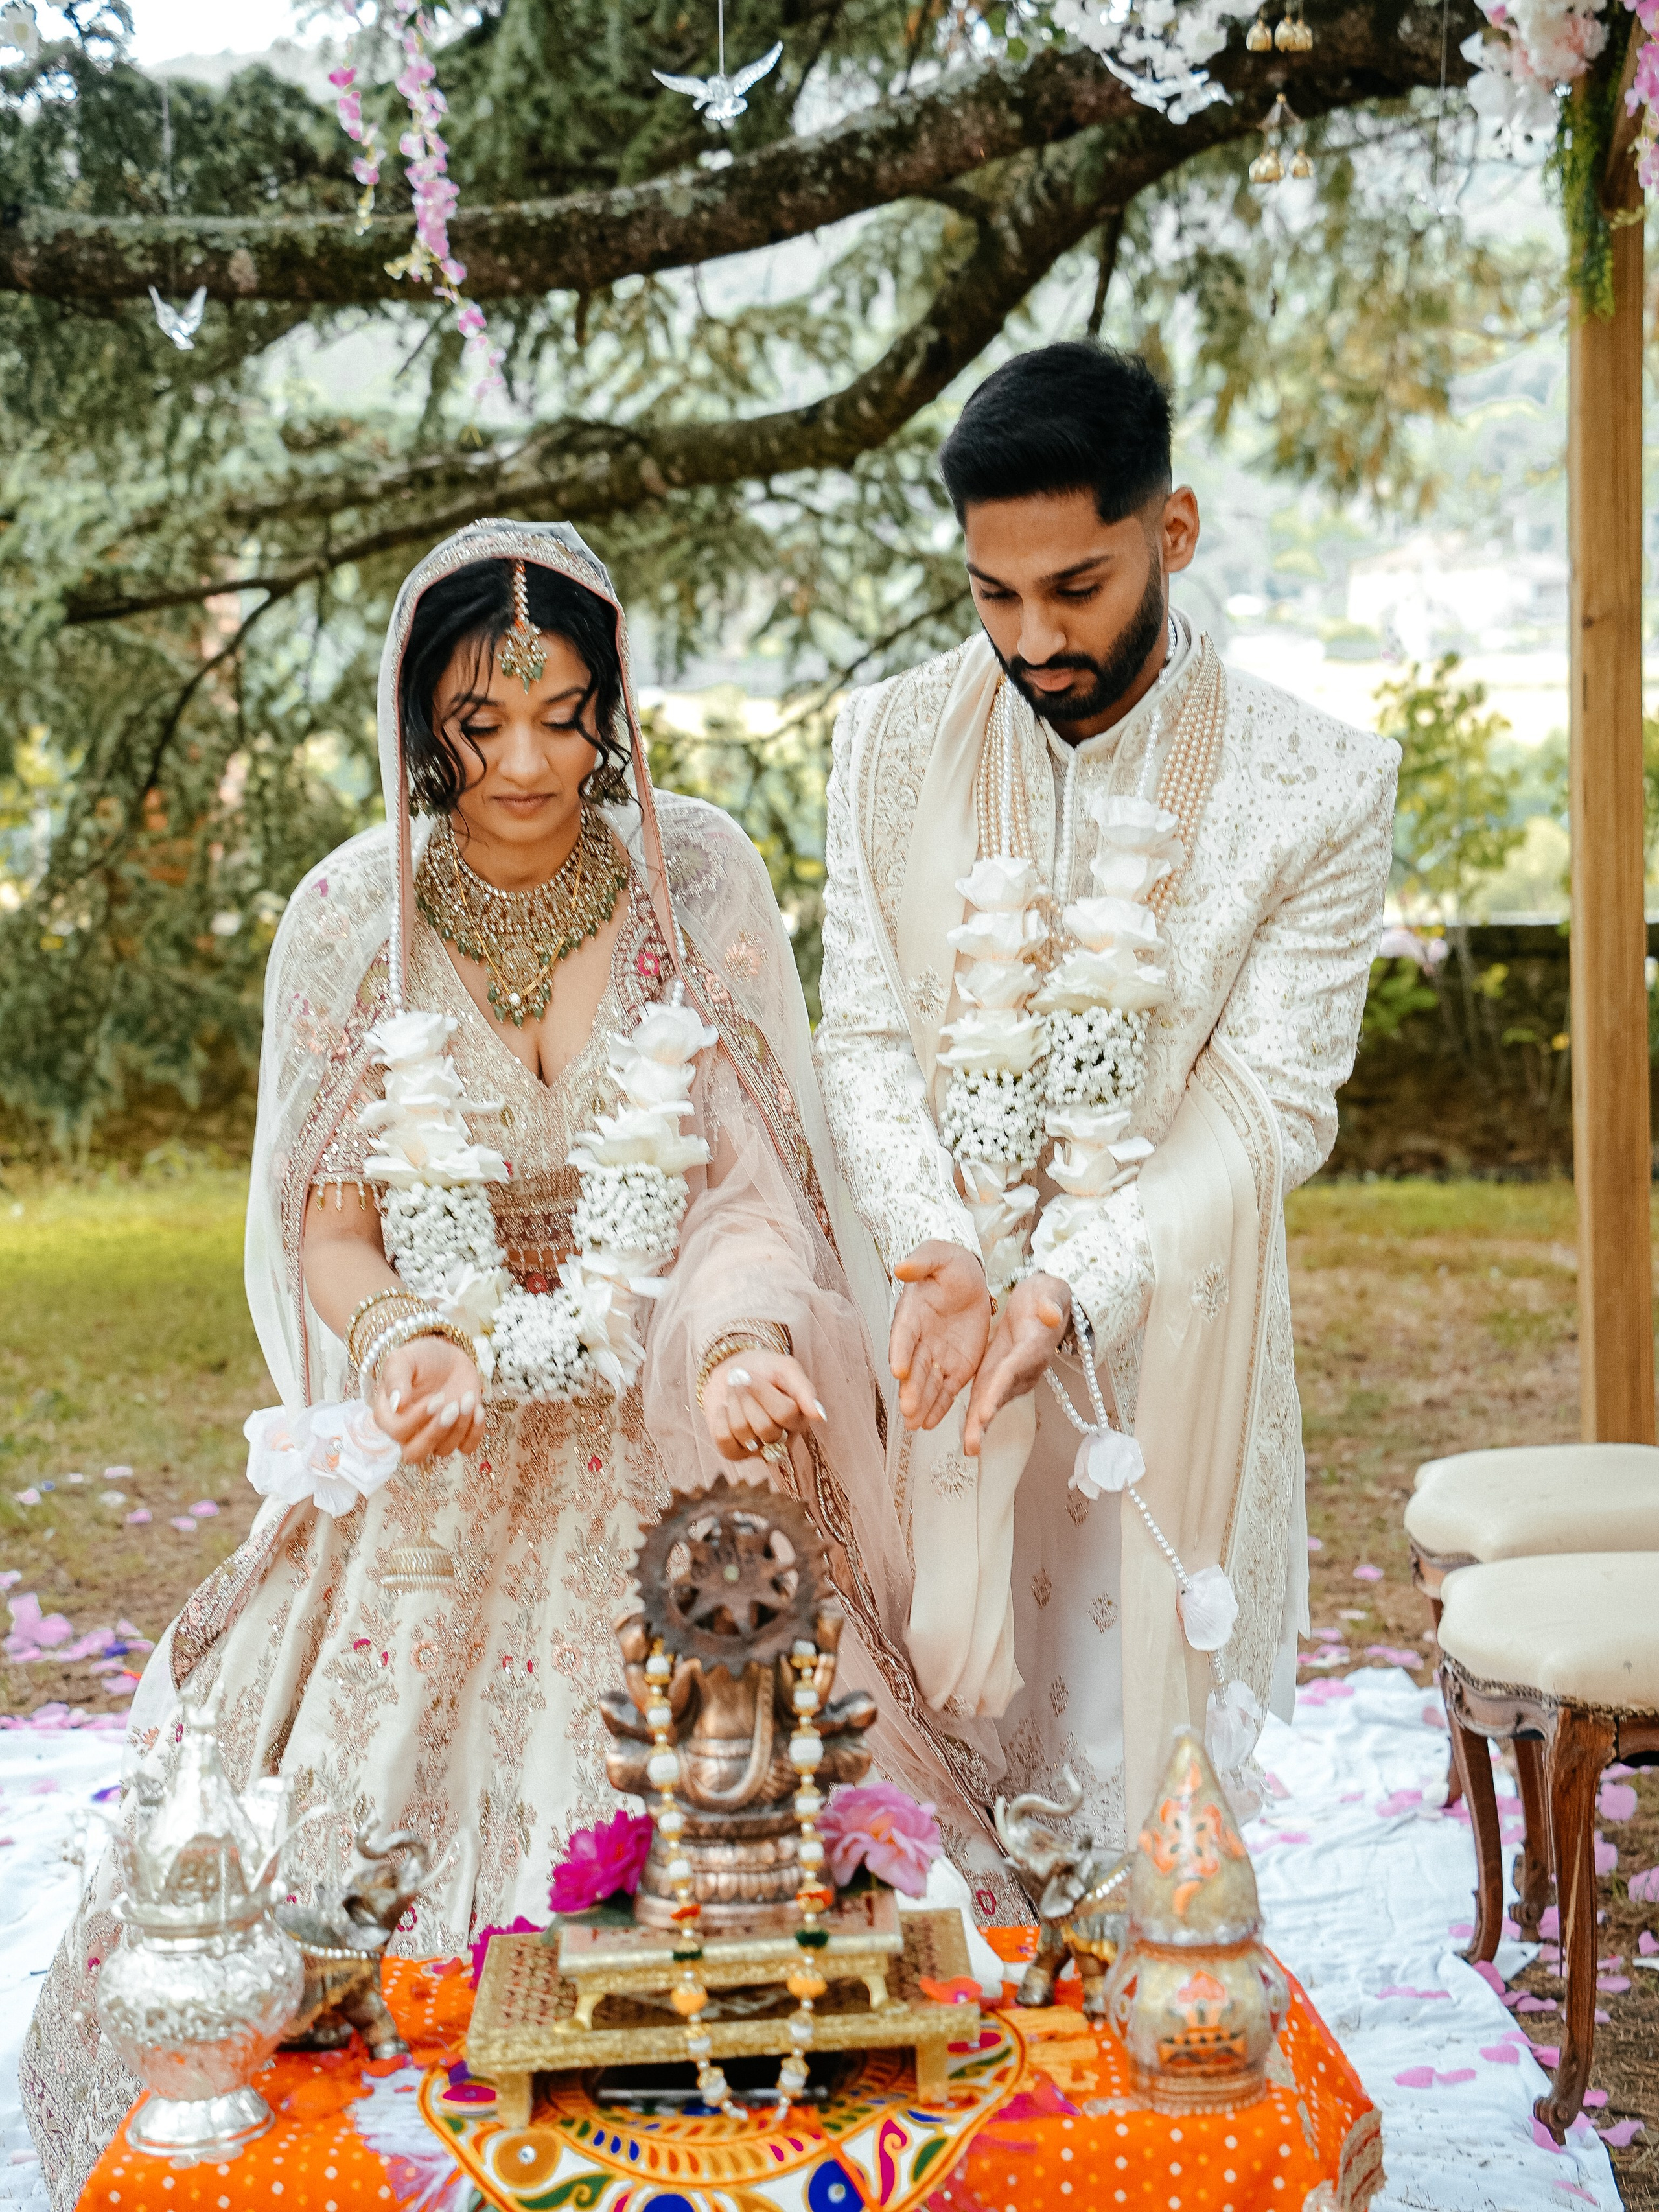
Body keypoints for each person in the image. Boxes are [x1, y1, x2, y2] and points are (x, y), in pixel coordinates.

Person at [23, 521, 985, 2207]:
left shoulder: (695, 877)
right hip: (447, 1437)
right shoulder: (351, 914)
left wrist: (750, 1333)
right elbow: (330, 1224)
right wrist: (404, 1336)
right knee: (337, 1913)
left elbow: (754, 1195)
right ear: (420, 716)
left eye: (564, 713)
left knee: (755, 1817)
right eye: (482, 721)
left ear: (614, 701)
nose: (530, 762)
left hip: (673, 1411)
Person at [814, 343, 1398, 1856]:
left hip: (1161, 1350)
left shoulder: (1314, 786)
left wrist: (1070, 1285)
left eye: (1074, 587)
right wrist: (938, 1248)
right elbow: (865, 1036)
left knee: (1127, 1793)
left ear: (1172, 532)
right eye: (990, 594)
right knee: (921, 1809)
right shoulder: (881, 742)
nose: (1029, 638)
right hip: (928, 1333)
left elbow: (1272, 1106)